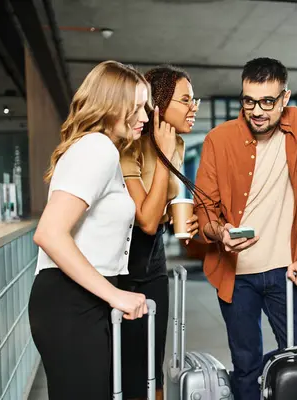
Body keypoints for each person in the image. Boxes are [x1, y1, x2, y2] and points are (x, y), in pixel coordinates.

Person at [194, 57, 297, 400]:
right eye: (249, 101)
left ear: (284, 98)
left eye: (268, 101)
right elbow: (204, 210)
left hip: (285, 269)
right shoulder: (218, 140)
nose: (258, 111)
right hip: (237, 275)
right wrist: (219, 232)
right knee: (246, 365)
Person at [28, 60, 150, 400]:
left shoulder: (96, 149)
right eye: (137, 107)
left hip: (81, 299)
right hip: (71, 302)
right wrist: (115, 295)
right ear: (111, 105)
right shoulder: (98, 149)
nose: (145, 117)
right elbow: (50, 233)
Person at [118, 65, 200, 400]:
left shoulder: (177, 144)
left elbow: (158, 217)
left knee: (154, 355)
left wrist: (179, 219)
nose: (194, 107)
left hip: (153, 256)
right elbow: (144, 219)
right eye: (186, 100)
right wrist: (164, 157)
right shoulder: (129, 144)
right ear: (159, 105)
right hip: (122, 259)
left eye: (195, 100)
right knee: (125, 359)